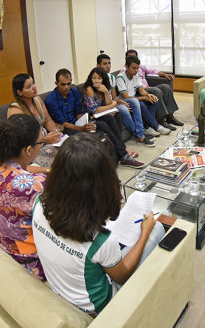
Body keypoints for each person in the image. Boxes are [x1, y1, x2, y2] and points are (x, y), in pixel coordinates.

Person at [32, 134, 165, 314]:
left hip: (60, 289)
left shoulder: (38, 204)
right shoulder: (98, 240)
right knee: (156, 228)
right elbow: (122, 275)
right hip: (97, 306)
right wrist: (145, 233)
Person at [0, 114, 47, 279]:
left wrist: (45, 170)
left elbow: (21, 172)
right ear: (28, 150)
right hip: (28, 260)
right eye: (41, 142)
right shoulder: (34, 186)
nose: (42, 145)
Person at [83, 68, 144, 168]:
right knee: (108, 120)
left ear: (103, 79)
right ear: (90, 79)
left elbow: (108, 102)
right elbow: (95, 110)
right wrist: (113, 105)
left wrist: (106, 92)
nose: (96, 81)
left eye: (99, 78)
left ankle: (120, 150)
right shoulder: (89, 89)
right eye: (94, 78)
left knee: (118, 115)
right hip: (91, 118)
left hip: (102, 115)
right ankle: (124, 154)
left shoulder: (103, 88)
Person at [97, 53, 154, 147]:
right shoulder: (96, 79)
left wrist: (120, 101)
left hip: (114, 102)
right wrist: (119, 103)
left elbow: (114, 96)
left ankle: (140, 133)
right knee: (123, 109)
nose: (108, 66)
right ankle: (140, 135)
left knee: (135, 101)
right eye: (105, 64)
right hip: (105, 106)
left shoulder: (111, 77)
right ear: (98, 65)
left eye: (109, 63)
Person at [7, 74, 63, 168]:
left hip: (45, 140)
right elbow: (23, 139)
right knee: (59, 164)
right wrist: (44, 141)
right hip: (31, 148)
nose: (34, 87)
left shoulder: (37, 99)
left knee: (69, 153)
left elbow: (48, 120)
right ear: (19, 92)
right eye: (29, 86)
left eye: (33, 83)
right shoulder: (15, 110)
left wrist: (56, 132)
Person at [122, 49, 182, 131]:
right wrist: (148, 88)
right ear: (126, 59)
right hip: (141, 90)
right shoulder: (125, 70)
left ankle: (170, 117)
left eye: (134, 57)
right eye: (130, 57)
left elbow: (152, 71)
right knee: (156, 91)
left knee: (166, 87)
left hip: (147, 88)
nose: (132, 58)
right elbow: (134, 84)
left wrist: (164, 74)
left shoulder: (141, 67)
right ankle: (161, 121)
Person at [116, 56, 170, 137]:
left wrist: (148, 95)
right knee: (140, 104)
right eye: (133, 68)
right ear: (126, 67)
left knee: (153, 99)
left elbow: (141, 90)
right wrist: (144, 98)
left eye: (137, 68)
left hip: (134, 97)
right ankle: (156, 126)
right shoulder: (120, 78)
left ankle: (148, 128)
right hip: (124, 101)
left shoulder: (136, 74)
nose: (136, 70)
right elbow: (126, 97)